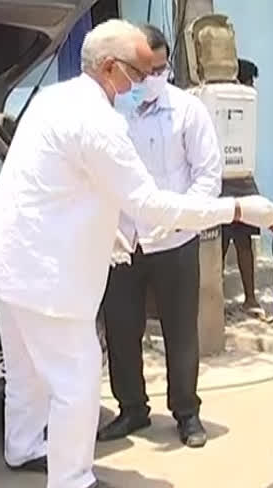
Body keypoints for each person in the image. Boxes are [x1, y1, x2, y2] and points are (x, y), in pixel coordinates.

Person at [0, 20, 273, 488]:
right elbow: (150, 203)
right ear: (108, 68)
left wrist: (112, 232)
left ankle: (23, 446)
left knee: (27, 371)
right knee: (77, 379)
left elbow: (60, 184)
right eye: (138, 72)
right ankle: (72, 482)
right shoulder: (97, 122)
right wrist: (241, 209)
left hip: (7, 262)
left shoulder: (55, 100)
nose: (144, 81)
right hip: (46, 274)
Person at [97, 24, 220, 447]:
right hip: (122, 240)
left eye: (162, 68)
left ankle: (186, 412)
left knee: (181, 329)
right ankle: (132, 409)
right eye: (147, 69)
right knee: (120, 327)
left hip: (175, 239)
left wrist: (180, 218)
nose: (154, 77)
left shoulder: (188, 111)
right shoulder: (111, 111)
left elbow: (208, 177)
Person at [220, 58, 272, 322]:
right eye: (249, 81)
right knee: (219, 244)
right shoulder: (221, 102)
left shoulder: (246, 107)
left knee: (243, 243)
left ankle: (250, 299)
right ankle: (216, 301)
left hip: (243, 181)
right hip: (221, 184)